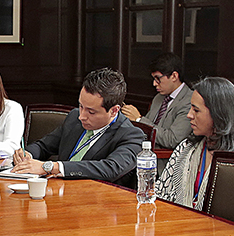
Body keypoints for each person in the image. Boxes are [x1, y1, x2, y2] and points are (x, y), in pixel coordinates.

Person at [11, 68, 145, 182]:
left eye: (91, 112)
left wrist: (51, 167)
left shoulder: (131, 135)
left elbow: (110, 169)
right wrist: (27, 155)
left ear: (114, 111)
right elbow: (43, 146)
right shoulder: (74, 117)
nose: (82, 116)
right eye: (81, 106)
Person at [156, 77, 234, 209]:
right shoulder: (187, 147)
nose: (189, 115)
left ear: (218, 114)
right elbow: (160, 192)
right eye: (190, 108)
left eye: (196, 110)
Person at [120, 53, 193, 149]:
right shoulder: (159, 97)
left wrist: (139, 120)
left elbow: (173, 140)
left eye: (158, 78)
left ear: (174, 76)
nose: (154, 83)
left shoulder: (189, 101)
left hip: (166, 156)